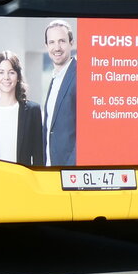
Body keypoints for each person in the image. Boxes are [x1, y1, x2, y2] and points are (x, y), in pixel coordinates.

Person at [42, 19, 78, 167]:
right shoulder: (55, 78)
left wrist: (71, 169)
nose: (57, 47)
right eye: (52, 42)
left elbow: (87, 134)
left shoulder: (80, 76)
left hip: (69, 170)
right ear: (46, 46)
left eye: (62, 41)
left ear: (72, 43)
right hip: (52, 167)